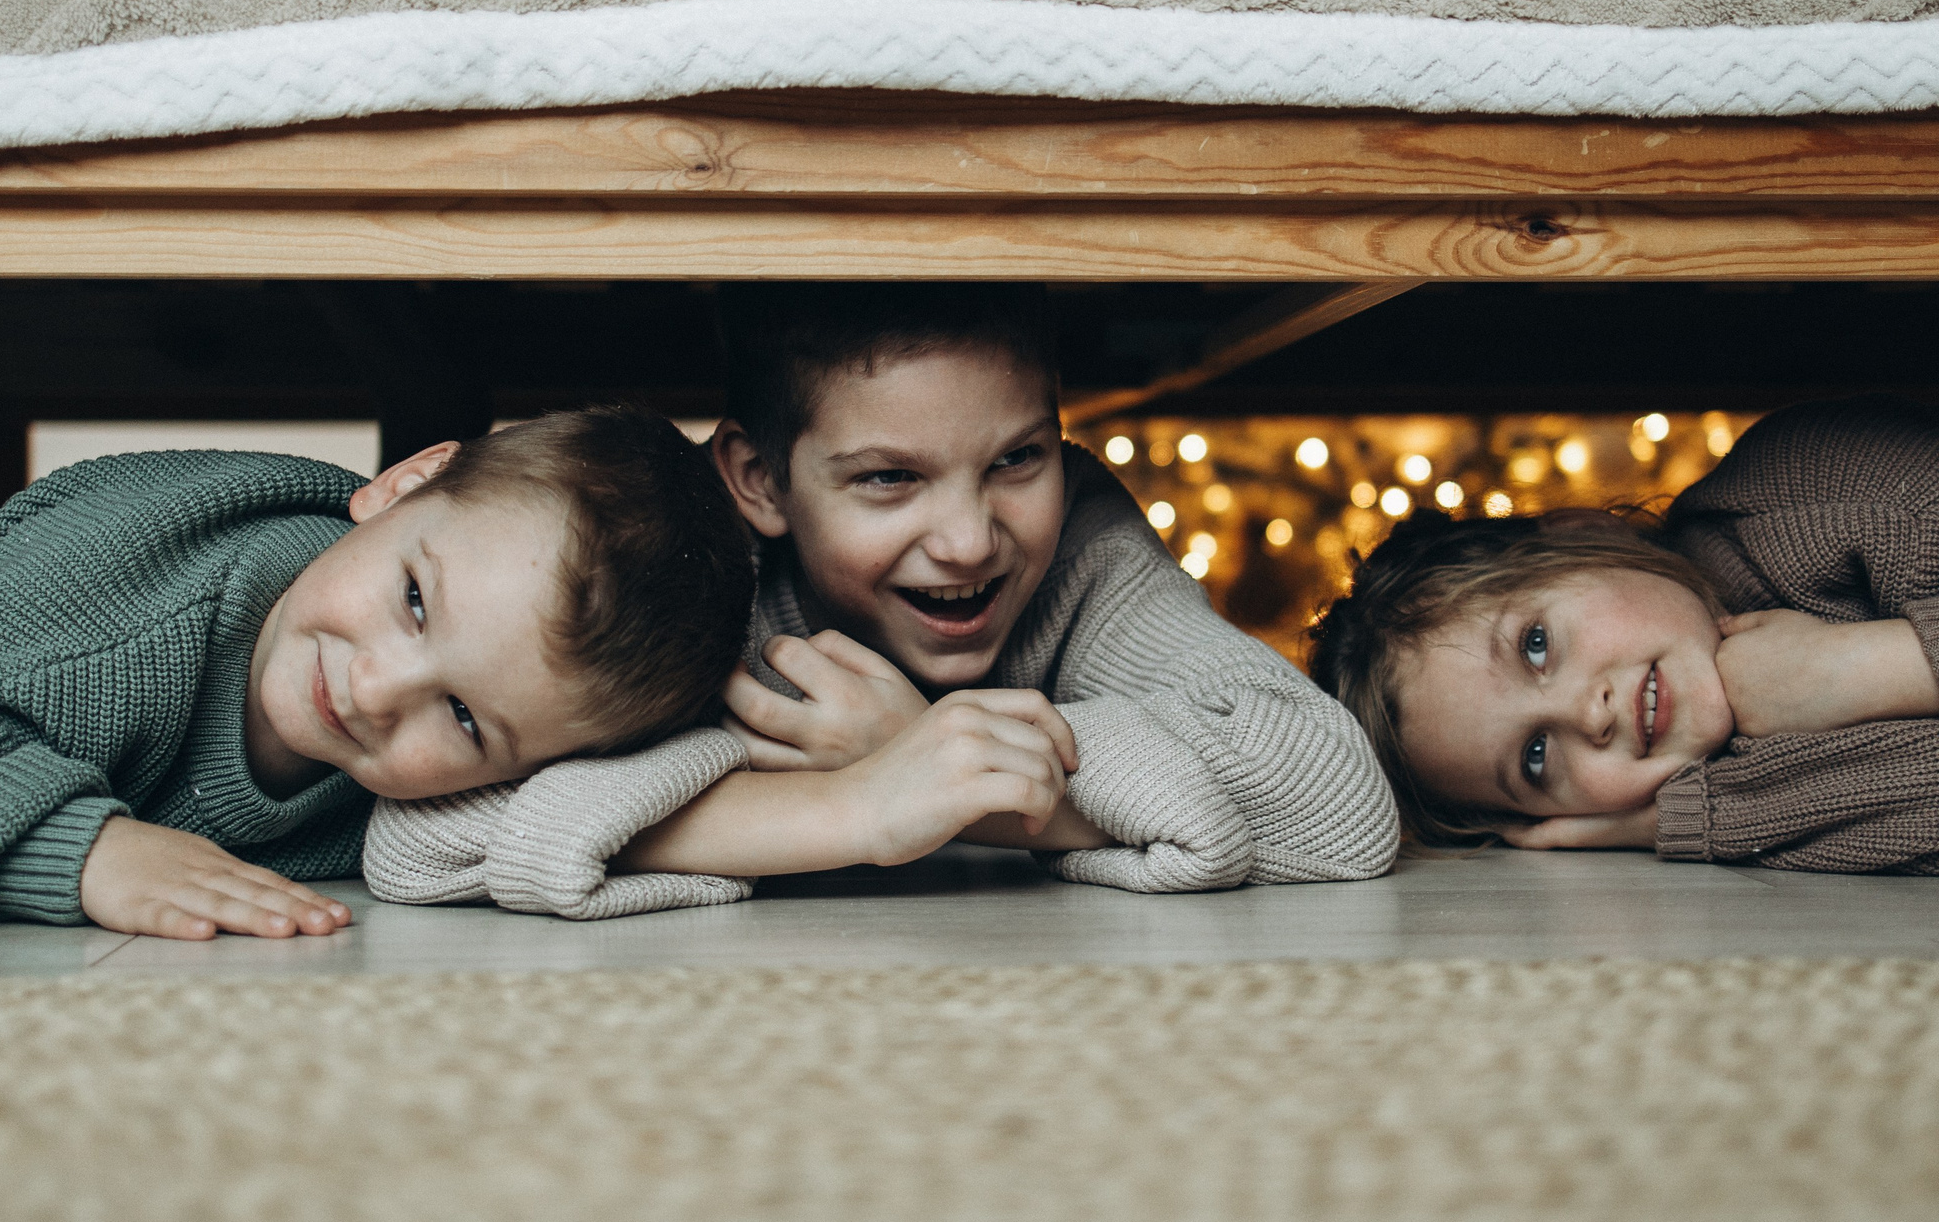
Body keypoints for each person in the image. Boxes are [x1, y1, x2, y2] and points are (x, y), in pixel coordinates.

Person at [364, 283, 1400, 919]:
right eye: (889, 479)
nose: (969, 539)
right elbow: (422, 838)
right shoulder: (668, 564)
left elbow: (1335, 806)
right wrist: (859, 802)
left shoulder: (1079, 544)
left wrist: (945, 765)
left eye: (1017, 459)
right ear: (758, 481)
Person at [0, 407, 756, 935]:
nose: (374, 692)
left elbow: (617, 807)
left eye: (460, 717)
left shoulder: (507, 720)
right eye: (412, 600)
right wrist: (90, 854)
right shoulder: (107, 615)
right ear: (405, 483)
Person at [1307, 397, 1939, 874]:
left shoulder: (1800, 485)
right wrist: (1675, 821)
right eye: (1536, 758)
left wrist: (1855, 664)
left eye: (1537, 645)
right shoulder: (1737, 775)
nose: (1585, 716)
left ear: (1585, 534)